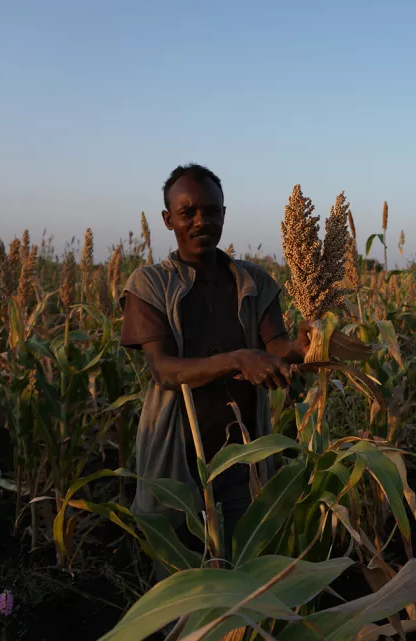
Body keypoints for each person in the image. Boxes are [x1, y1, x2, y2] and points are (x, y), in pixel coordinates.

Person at [118, 163, 309, 574]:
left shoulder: (253, 281)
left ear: (224, 213)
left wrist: (304, 347)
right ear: (168, 219)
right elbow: (164, 370)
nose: (201, 221)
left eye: (212, 210)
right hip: (179, 462)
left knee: (247, 573)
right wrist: (240, 358)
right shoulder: (149, 284)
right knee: (184, 582)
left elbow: (277, 349)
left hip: (246, 459)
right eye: (188, 213)